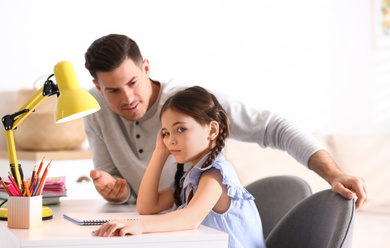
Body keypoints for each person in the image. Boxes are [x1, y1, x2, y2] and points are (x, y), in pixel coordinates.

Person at [84, 34, 367, 209]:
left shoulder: (187, 102)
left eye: (133, 82)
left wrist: (334, 174)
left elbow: (274, 127)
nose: (128, 97)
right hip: (152, 226)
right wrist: (114, 193)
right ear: (97, 86)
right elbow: (117, 188)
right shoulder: (93, 106)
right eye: (112, 91)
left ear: (146, 67)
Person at [94, 86, 269, 248]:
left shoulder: (217, 175)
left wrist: (139, 226)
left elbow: (189, 218)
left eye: (180, 129)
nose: (171, 140)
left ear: (212, 130)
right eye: (166, 133)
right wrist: (159, 153)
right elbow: (147, 207)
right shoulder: (189, 179)